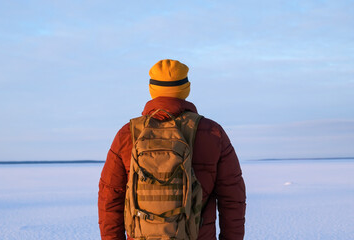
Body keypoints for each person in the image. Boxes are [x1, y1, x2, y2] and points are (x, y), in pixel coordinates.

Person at [98, 59, 246, 239]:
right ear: (186, 89)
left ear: (152, 90)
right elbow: (232, 199)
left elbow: (110, 199)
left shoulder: (128, 134)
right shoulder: (212, 133)